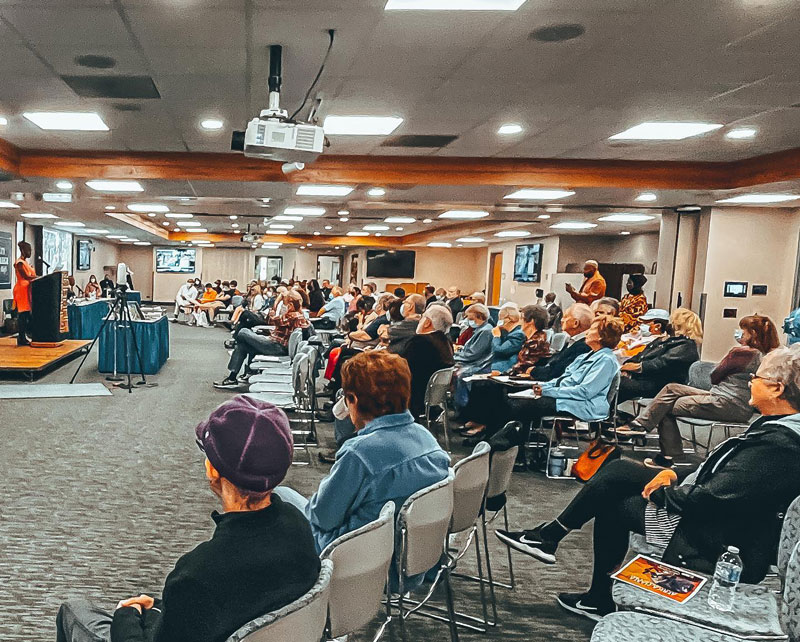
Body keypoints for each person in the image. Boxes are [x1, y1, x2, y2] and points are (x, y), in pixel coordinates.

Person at [495, 345, 800, 622]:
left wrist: (665, 493)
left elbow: (711, 498)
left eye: (756, 377)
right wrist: (673, 475)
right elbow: (721, 476)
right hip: (713, 509)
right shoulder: (774, 429)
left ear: (776, 388)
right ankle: (558, 547)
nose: (750, 382)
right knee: (620, 470)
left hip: (716, 534)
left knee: (615, 502)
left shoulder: (778, 445)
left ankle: (575, 567)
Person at [55, 396, 321, 642]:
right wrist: (161, 609)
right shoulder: (297, 524)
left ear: (212, 470)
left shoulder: (197, 575)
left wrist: (128, 614)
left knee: (73, 611)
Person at [273, 352, 450, 574]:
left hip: (356, 562)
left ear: (353, 400)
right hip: (415, 559)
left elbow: (322, 518)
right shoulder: (427, 440)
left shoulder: (360, 453)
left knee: (279, 497)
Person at [618, 314, 781, 468]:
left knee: (664, 406)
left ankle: (667, 454)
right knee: (671, 388)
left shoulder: (741, 353)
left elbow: (715, 376)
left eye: (742, 331)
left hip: (725, 403)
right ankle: (640, 426)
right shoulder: (765, 354)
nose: (739, 334)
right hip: (731, 401)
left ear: (751, 334)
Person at [484, 315, 625, 448]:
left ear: (602, 336)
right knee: (511, 399)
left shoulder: (606, 360)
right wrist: (542, 386)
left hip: (584, 405)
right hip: (569, 398)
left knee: (522, 406)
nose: (587, 332)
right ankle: (499, 445)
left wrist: (548, 391)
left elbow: (585, 391)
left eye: (593, 329)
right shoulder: (586, 356)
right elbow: (563, 379)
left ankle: (511, 450)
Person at [459, 304, 553, 442]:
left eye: (521, 318)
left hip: (526, 380)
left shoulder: (535, 341)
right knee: (485, 384)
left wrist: (505, 374)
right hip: (519, 375)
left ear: (530, 321)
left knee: (491, 388)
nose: (518, 321)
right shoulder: (530, 338)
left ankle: (489, 433)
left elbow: (525, 365)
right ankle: (485, 428)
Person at [215, 295, 310, 387]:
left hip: (277, 347)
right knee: (242, 345)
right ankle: (235, 376)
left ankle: (233, 376)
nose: (283, 307)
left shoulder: (292, 316)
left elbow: (271, 321)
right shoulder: (299, 315)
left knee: (243, 332)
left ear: (290, 305)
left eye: (284, 305)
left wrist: (275, 305)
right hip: (276, 344)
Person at [618, 308, 702, 402]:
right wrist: (627, 366)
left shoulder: (686, 345)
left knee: (619, 384)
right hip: (642, 379)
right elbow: (639, 356)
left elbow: (660, 364)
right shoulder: (662, 340)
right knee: (613, 380)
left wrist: (634, 367)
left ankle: (605, 413)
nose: (669, 323)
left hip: (659, 384)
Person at [399, 304, 455, 419]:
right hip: (433, 398)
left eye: (422, 318)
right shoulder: (446, 341)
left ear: (427, 322)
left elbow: (402, 367)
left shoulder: (420, 341)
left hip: (414, 397)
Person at [453, 303, 494, 410]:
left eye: (470, 318)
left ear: (479, 317)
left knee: (459, 373)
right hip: (473, 360)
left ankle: (463, 407)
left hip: (479, 364)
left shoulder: (486, 331)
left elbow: (473, 354)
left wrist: (453, 357)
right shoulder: (480, 330)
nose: (467, 320)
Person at [12, 241, 36, 346]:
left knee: (26, 314)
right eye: (28, 250)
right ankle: (21, 338)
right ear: (23, 250)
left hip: (27, 289)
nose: (30, 252)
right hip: (21, 289)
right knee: (22, 314)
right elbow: (26, 276)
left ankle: (24, 336)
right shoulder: (20, 263)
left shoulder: (26, 263)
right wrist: (38, 277)